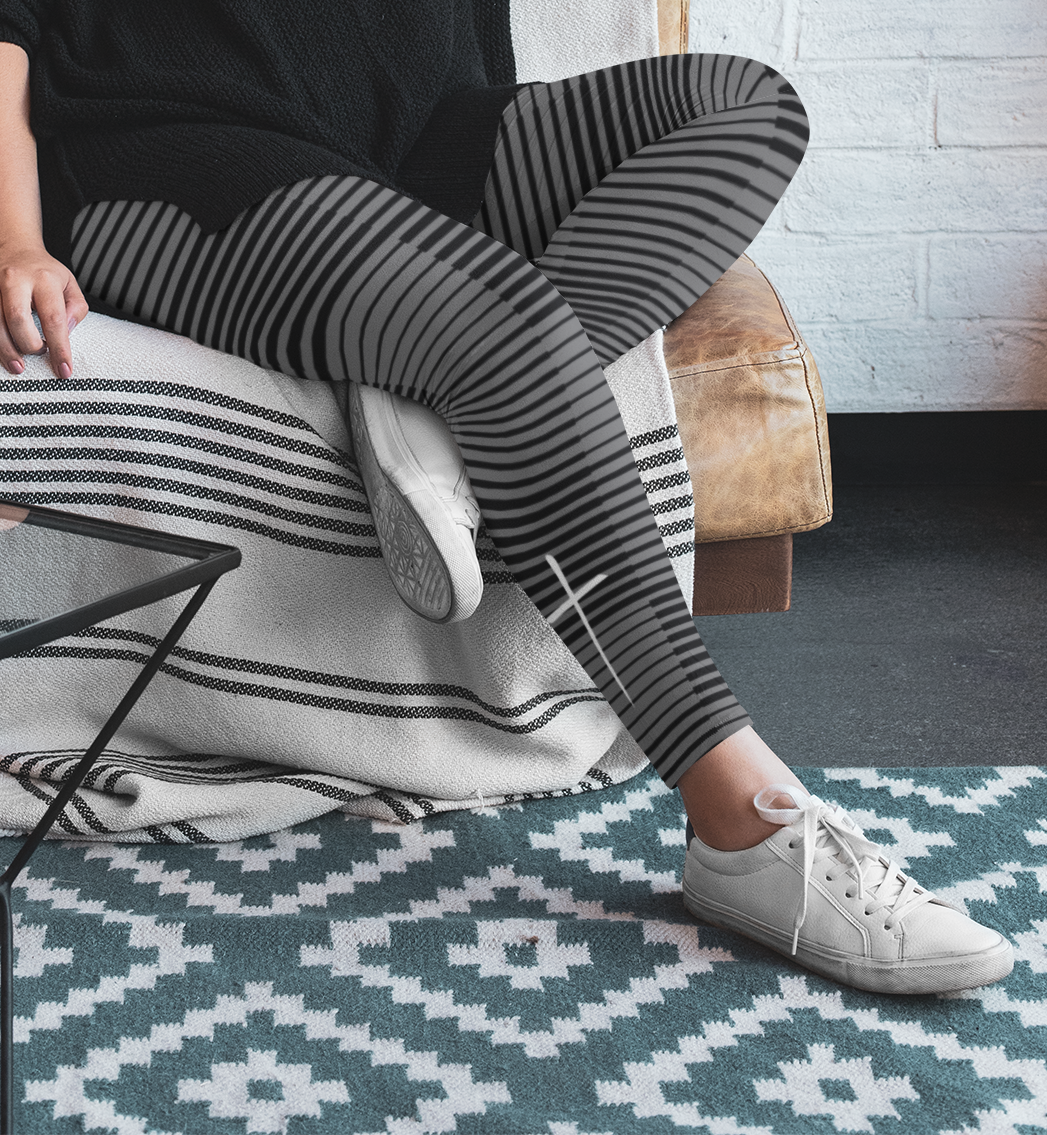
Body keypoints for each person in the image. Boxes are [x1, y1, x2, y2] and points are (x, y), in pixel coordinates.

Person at [0, 2, 1013, 995]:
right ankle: (741, 812)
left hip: (412, 143)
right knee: (513, 330)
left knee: (744, 106)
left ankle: (442, 410)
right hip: (168, 152)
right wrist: (14, 239)